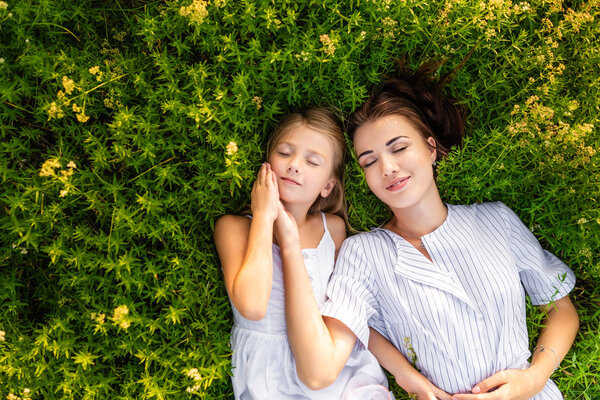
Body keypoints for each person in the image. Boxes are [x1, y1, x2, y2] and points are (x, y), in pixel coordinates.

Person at [277, 63, 580, 400]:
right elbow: (356, 334)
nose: (388, 168)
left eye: (398, 147)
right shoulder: (363, 253)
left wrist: (534, 378)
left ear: (431, 148)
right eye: (369, 161)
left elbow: (560, 309)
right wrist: (407, 376)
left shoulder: (497, 221)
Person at [215, 108, 413, 399]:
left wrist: (407, 375)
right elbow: (253, 307)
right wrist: (262, 216)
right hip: (271, 379)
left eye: (312, 161)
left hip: (338, 370)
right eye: (284, 153)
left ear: (327, 186)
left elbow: (348, 317)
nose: (294, 165)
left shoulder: (331, 230)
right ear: (266, 164)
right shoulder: (234, 228)